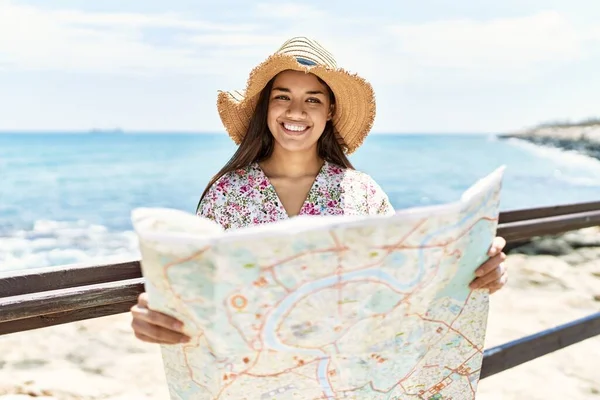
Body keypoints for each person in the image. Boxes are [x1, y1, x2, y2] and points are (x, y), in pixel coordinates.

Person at [130, 37, 508, 345]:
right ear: (266, 108)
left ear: (329, 111)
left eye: (312, 99)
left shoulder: (362, 193)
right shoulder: (227, 193)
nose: (296, 111)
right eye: (282, 96)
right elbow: (195, 289)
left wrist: (476, 267)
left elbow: (407, 278)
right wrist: (156, 313)